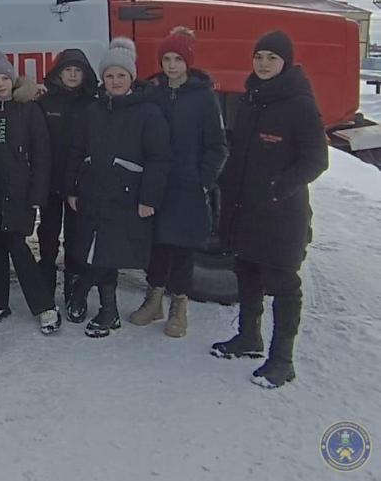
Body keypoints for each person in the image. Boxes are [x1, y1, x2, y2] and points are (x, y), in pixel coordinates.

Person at [212, 30, 328, 389]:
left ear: (285, 63)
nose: (263, 64)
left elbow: (316, 160)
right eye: (259, 57)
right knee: (246, 272)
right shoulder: (250, 99)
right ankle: (249, 338)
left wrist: (280, 188)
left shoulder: (299, 104)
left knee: (282, 283)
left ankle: (282, 360)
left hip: (280, 213)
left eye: (271, 58)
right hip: (246, 207)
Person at [65, 38, 171, 338]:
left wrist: (149, 197)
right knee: (95, 250)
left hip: (127, 195)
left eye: (120, 75)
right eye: (109, 75)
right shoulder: (93, 111)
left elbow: (159, 158)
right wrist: (72, 187)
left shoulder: (148, 112)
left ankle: (107, 311)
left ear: (131, 77)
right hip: (93, 191)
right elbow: (76, 149)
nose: (114, 81)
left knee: (110, 253)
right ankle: (85, 293)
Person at [131, 28, 228, 337]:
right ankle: (154, 301)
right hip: (158, 184)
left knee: (183, 249)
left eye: (177, 59)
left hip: (188, 186)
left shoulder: (203, 97)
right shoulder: (154, 92)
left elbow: (218, 145)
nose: (171, 65)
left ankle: (179, 307)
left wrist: (203, 179)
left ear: (188, 62)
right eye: (167, 59)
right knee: (158, 245)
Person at [0, 52, 61, 334]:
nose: (0, 85)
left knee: (17, 247)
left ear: (13, 80)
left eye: (4, 79)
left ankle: (44, 306)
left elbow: (42, 155)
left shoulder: (29, 110)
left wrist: (37, 194)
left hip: (20, 193)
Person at [37, 50, 98, 306]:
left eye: (78, 70)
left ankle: (75, 294)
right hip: (51, 182)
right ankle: (45, 291)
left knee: (77, 238)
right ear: (58, 73)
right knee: (48, 236)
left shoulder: (92, 105)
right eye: (67, 70)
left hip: (79, 185)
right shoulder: (44, 102)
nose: (72, 75)